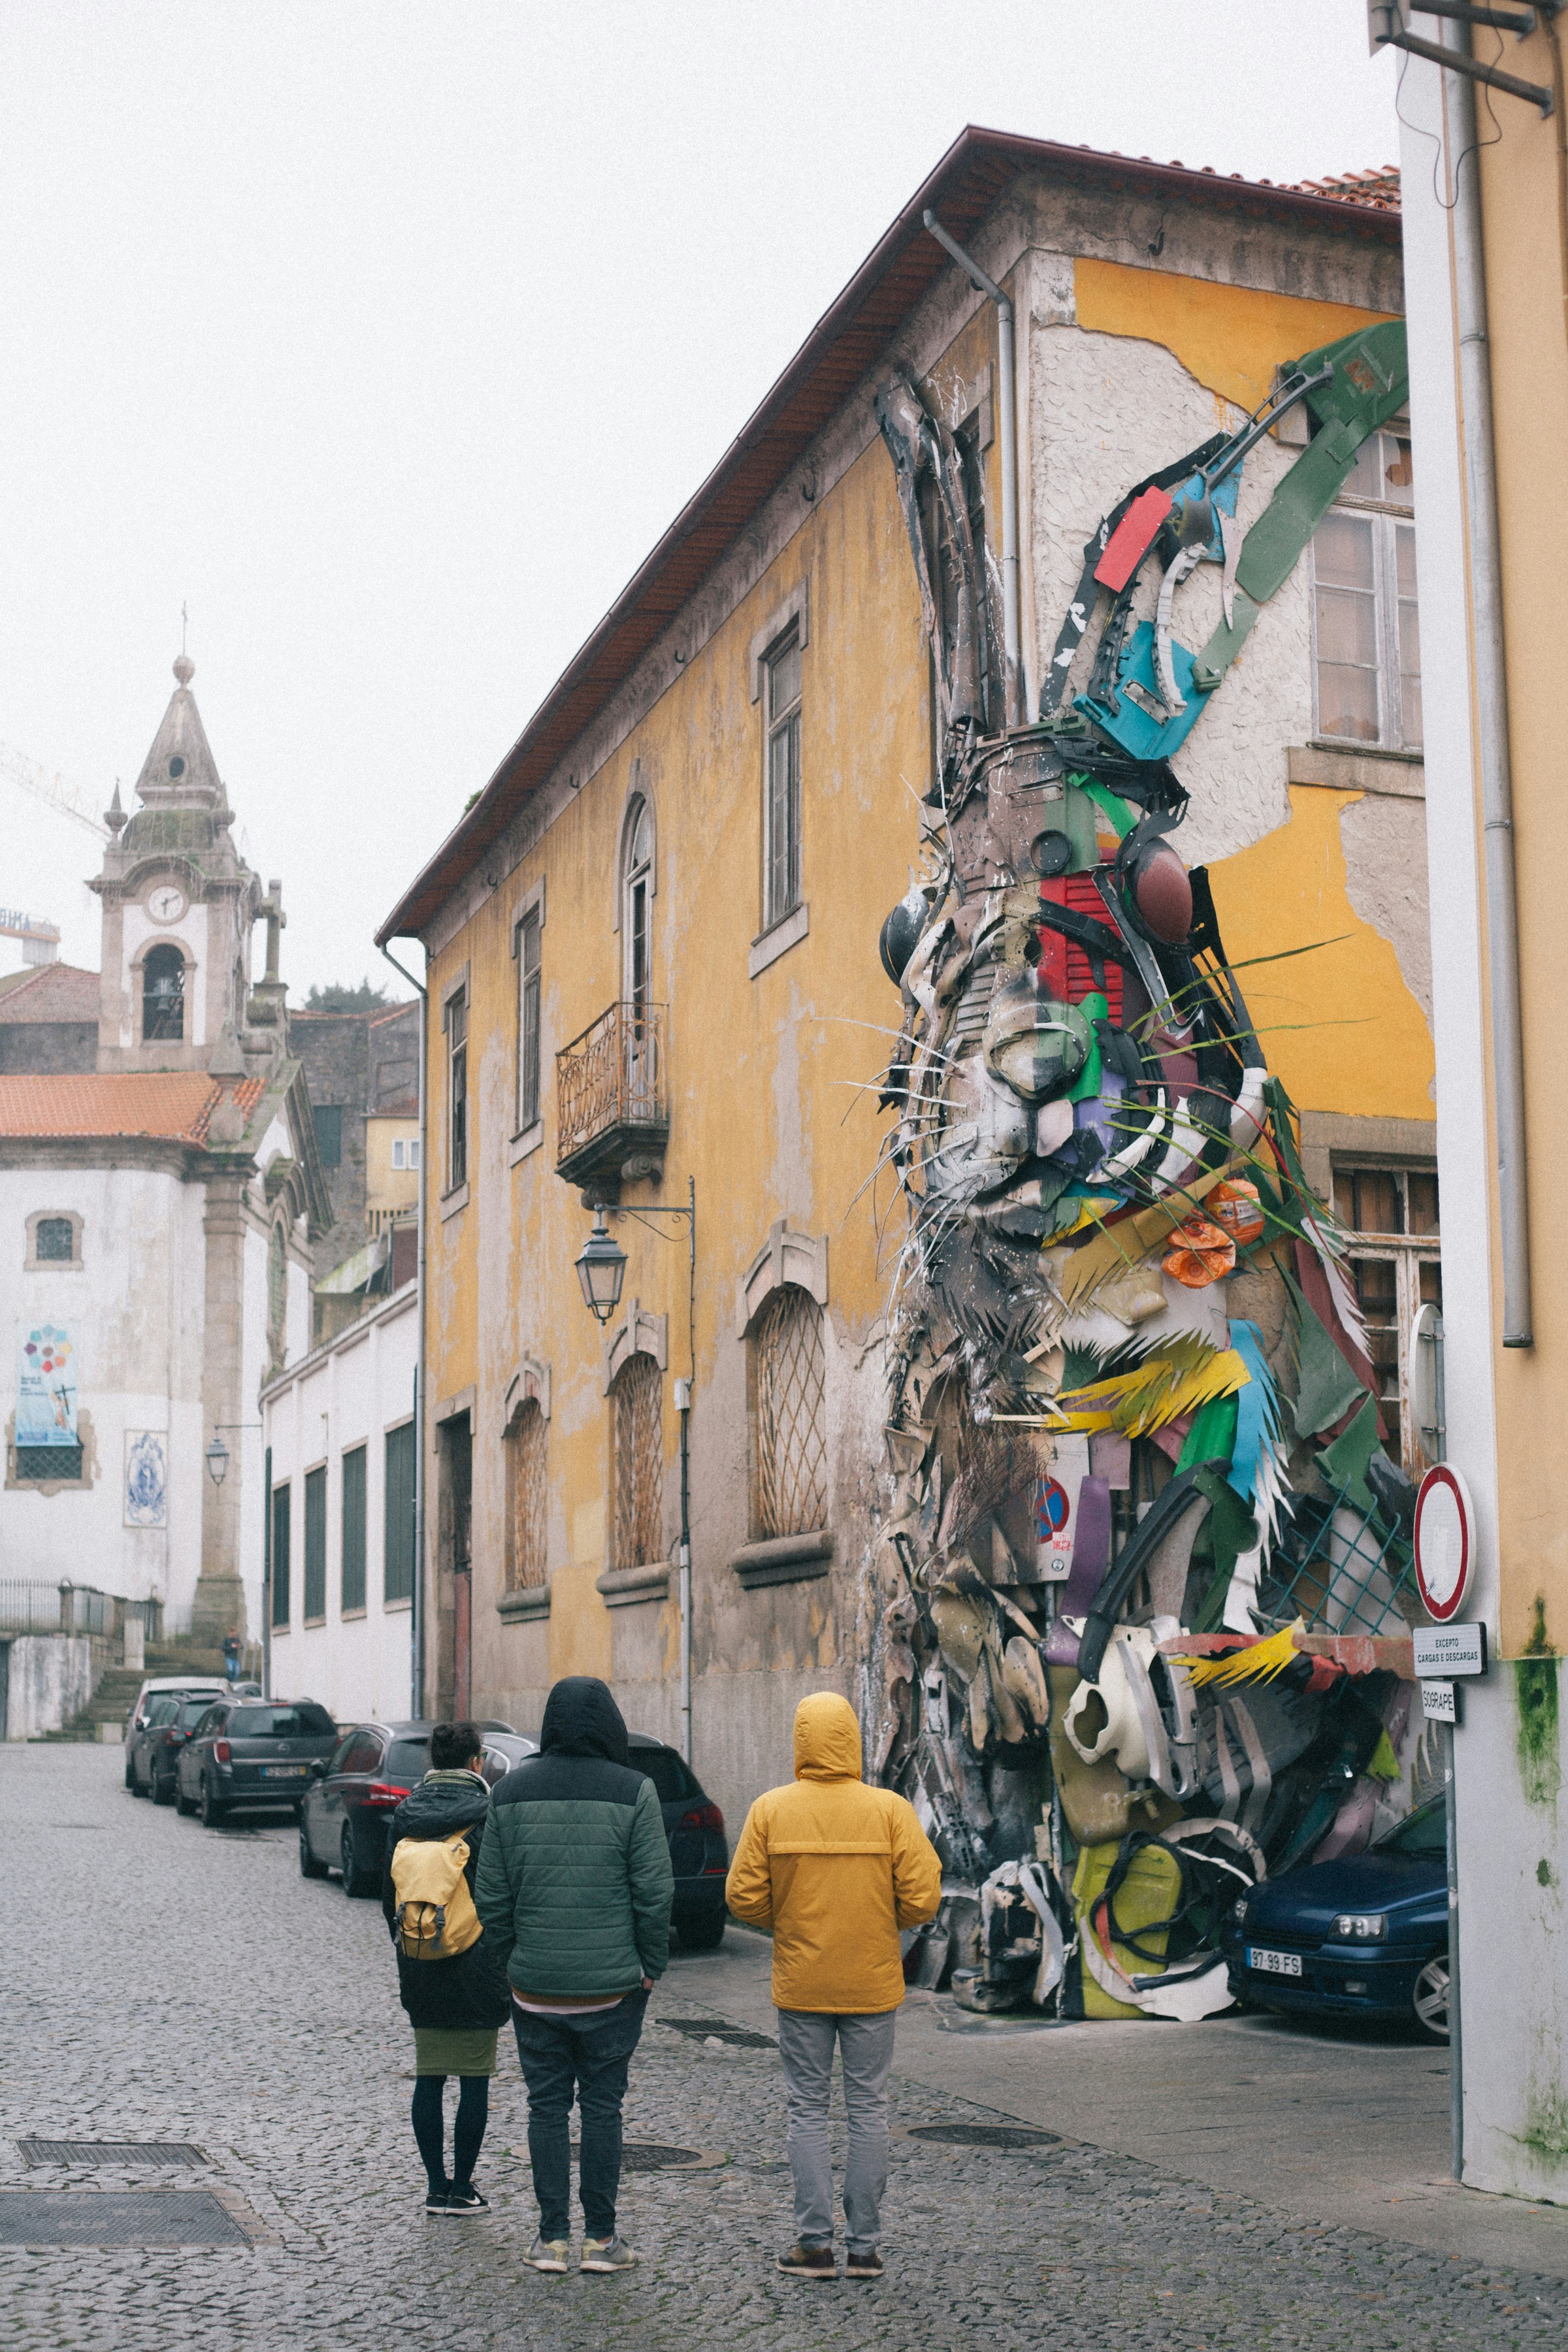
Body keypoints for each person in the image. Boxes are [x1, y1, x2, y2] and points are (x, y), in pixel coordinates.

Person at [725, 1690, 941, 2283]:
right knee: (870, 2108)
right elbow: (923, 1897)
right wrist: (878, 1922)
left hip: (803, 1982)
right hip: (872, 1981)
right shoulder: (890, 1810)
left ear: (800, 1740)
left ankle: (815, 2245)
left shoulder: (772, 1809)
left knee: (808, 2111)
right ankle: (865, 2249)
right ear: (853, 1738)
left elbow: (742, 1896)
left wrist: (791, 1922)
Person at [476, 1674, 673, 2275]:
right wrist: (650, 1966)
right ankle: (603, 2240)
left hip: (535, 1988)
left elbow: (491, 1898)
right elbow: (655, 1894)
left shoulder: (507, 1793)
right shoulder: (635, 1790)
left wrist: (513, 1961)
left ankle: (552, 2239)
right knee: (604, 2109)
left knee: (545, 2108)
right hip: (613, 1987)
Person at [381, 1719, 510, 2215]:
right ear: (477, 1761)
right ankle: (463, 2188)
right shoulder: (490, 1813)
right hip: (478, 1964)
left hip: (421, 1961)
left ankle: (435, 2187)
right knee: (474, 2080)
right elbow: (499, 1894)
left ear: (433, 1762)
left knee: (430, 2077)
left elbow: (387, 1896)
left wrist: (413, 1945)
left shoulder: (405, 1813)